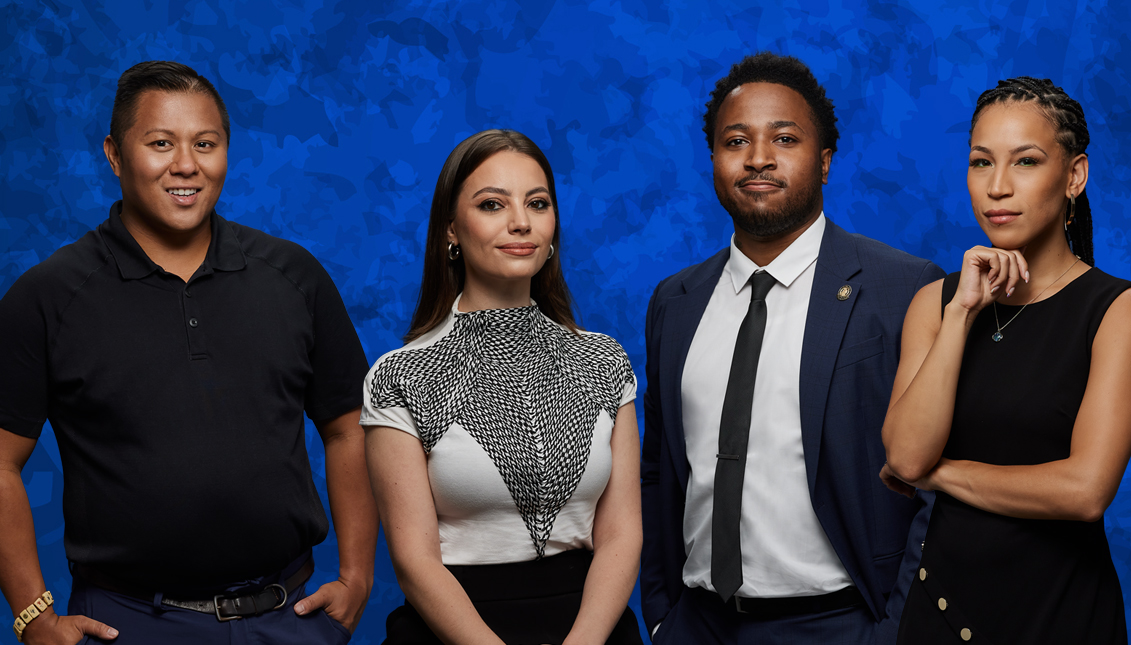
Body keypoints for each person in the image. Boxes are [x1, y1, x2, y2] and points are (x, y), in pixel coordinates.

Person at [0, 61, 377, 644]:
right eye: (160, 143)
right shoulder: (50, 295)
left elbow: (350, 426)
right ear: (114, 154)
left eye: (206, 143)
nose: (186, 165)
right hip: (128, 623)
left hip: (287, 617)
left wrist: (356, 576)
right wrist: (32, 615)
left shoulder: (293, 277)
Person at [640, 51, 945, 644]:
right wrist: (662, 613)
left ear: (825, 161)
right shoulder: (674, 302)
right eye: (736, 141)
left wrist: (892, 632)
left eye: (784, 138)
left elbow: (936, 487)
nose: (758, 158)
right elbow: (659, 471)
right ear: (713, 161)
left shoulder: (904, 289)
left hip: (843, 624)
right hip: (696, 625)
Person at [363, 129, 643, 645]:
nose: (520, 221)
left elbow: (623, 535)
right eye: (492, 204)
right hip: (456, 630)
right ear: (451, 229)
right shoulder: (400, 376)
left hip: (593, 628)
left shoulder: (604, 361)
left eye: (537, 203)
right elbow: (413, 561)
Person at [882, 77, 1131, 644]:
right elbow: (903, 451)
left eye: (1025, 161)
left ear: (1075, 177)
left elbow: (1085, 491)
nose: (997, 187)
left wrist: (938, 476)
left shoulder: (1117, 311)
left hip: (1060, 617)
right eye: (980, 162)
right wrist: (962, 314)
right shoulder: (937, 302)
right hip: (939, 612)